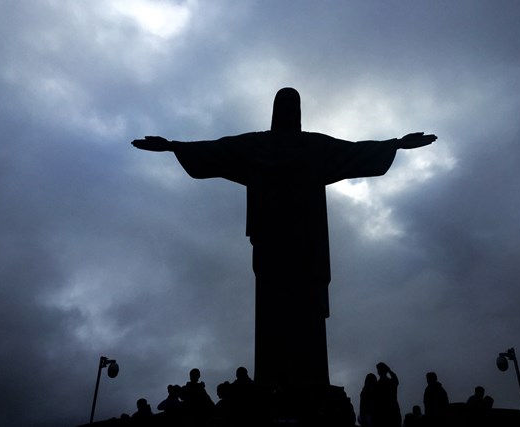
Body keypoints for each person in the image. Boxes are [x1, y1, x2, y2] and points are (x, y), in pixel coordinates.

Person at [132, 88, 437, 389]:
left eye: (293, 104)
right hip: (272, 239)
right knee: (272, 305)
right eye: (285, 103)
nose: (289, 110)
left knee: (307, 306)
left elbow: (354, 151)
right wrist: (174, 146)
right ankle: (271, 379)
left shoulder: (313, 146)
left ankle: (312, 380)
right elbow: (218, 151)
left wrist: (396, 144)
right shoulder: (257, 144)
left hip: (306, 240)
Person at [375, 362, 402, 426]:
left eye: (378, 369)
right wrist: (389, 370)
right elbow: (395, 378)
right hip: (393, 412)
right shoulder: (391, 382)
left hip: (384, 414)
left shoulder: (377, 385)